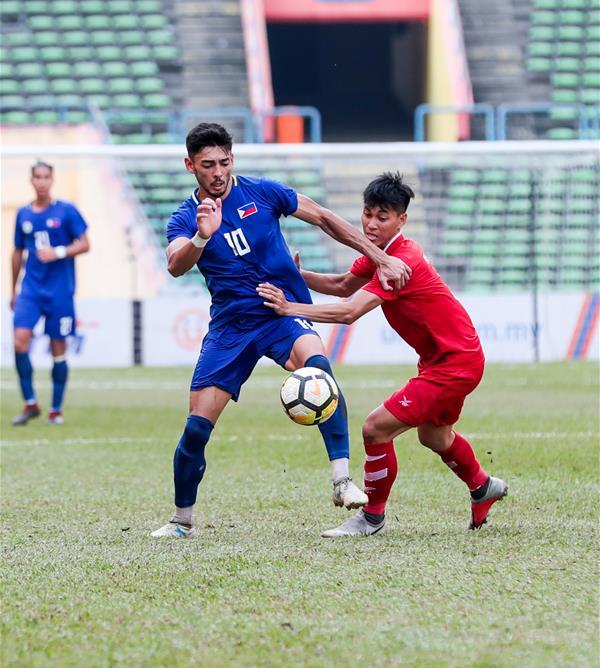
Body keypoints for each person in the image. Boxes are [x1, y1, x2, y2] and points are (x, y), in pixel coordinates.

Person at [151, 123, 412, 539]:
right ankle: (182, 519)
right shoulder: (186, 217)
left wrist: (379, 256)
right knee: (197, 428)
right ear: (190, 166)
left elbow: (325, 218)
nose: (217, 172)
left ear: (232, 160)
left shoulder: (263, 192)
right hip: (231, 328)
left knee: (319, 370)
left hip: (281, 311)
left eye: (223, 162)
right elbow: (175, 263)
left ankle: (342, 479)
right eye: (207, 165)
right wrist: (202, 237)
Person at [258, 171, 508, 537]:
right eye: (367, 214)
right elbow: (344, 286)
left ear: (401, 220)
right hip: (448, 358)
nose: (371, 224)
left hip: (454, 363)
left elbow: (349, 311)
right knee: (435, 437)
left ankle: (371, 518)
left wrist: (289, 307)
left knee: (375, 429)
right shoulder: (381, 255)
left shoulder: (401, 263)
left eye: (383, 217)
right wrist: (301, 275)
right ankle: (483, 486)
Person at [10, 161, 90, 426]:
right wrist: (13, 289)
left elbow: (85, 243)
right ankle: (30, 403)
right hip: (30, 290)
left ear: (52, 180)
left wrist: (59, 251)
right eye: (37, 177)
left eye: (46, 177)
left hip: (59, 293)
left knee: (58, 349)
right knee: (20, 341)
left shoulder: (66, 211)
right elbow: (17, 252)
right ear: (31, 180)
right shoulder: (23, 214)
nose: (42, 182)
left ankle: (55, 410)